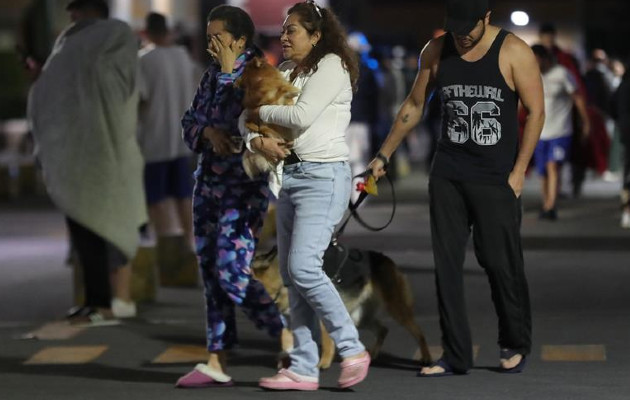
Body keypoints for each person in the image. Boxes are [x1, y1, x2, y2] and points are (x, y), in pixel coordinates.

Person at [369, 0, 544, 376]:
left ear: (486, 17)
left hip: (496, 177)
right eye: (455, 27)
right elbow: (415, 105)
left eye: (469, 27)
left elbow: (536, 111)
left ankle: (515, 341)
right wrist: (383, 156)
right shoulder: (436, 50)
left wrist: (519, 170)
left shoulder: (514, 51)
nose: (462, 36)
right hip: (448, 173)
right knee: (446, 266)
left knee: (500, 263)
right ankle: (455, 355)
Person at [245, 1, 370, 391]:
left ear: (316, 35)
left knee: (302, 267)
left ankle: (352, 348)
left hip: (324, 176)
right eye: (283, 30)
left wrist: (260, 110)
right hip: (290, 178)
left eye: (292, 30)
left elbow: (300, 116)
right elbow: (244, 118)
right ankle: (302, 366)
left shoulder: (331, 65)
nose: (284, 37)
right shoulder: (284, 71)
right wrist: (256, 138)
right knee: (289, 275)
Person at [175, 5, 285, 388]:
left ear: (239, 39)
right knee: (209, 272)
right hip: (207, 185)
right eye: (207, 36)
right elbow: (191, 122)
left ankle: (285, 332)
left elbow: (236, 118)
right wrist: (206, 135)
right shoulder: (209, 76)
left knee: (231, 270)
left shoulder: (260, 76)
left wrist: (224, 81)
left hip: (242, 188)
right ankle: (216, 359)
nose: (210, 43)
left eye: (216, 36)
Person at [27, 0, 146, 325]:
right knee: (84, 233)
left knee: (106, 232)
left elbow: (116, 83)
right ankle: (95, 301)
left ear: (90, 9)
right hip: (79, 154)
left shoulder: (113, 35)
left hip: (108, 151)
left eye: (75, 9)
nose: (71, 15)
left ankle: (111, 302)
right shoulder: (70, 41)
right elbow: (58, 87)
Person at [137, 12, 198, 285]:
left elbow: (141, 100)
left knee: (156, 198)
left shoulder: (144, 61)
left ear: (147, 32)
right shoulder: (183, 57)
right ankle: (189, 244)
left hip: (154, 140)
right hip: (181, 139)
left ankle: (167, 250)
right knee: (183, 194)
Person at [531, 44, 590, 220]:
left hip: (561, 131)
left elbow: (577, 98)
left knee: (553, 166)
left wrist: (585, 122)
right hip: (541, 132)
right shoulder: (534, 76)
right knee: (542, 172)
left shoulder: (562, 74)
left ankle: (551, 206)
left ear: (545, 58)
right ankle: (546, 203)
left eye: (536, 59)